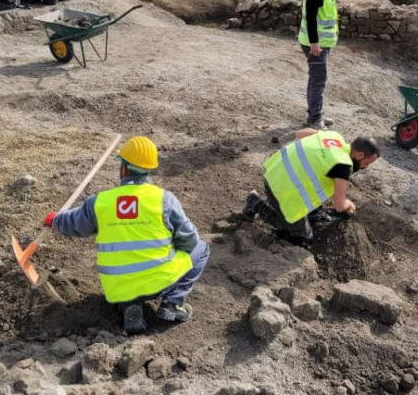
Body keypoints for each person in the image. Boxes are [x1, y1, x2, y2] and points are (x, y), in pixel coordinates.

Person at [44, 136, 209, 335]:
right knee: (201, 248)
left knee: (127, 268)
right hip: (158, 283)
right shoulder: (163, 199)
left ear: (123, 168)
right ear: (150, 169)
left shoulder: (101, 202)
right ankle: (172, 304)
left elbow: (73, 224)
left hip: (117, 288)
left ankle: (131, 307)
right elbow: (189, 240)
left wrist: (55, 220)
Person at [242, 128, 380, 244]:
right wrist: (348, 204)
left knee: (320, 183)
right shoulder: (344, 165)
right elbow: (339, 205)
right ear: (359, 155)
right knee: (303, 238)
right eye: (367, 163)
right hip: (279, 189)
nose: (365, 167)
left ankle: (313, 212)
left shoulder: (334, 137)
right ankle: (255, 203)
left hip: (274, 171)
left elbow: (300, 134)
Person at [298, 0, 351, 130]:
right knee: (318, 80)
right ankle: (315, 119)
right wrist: (314, 44)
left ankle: (316, 114)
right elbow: (311, 17)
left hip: (320, 43)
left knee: (316, 79)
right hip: (315, 44)